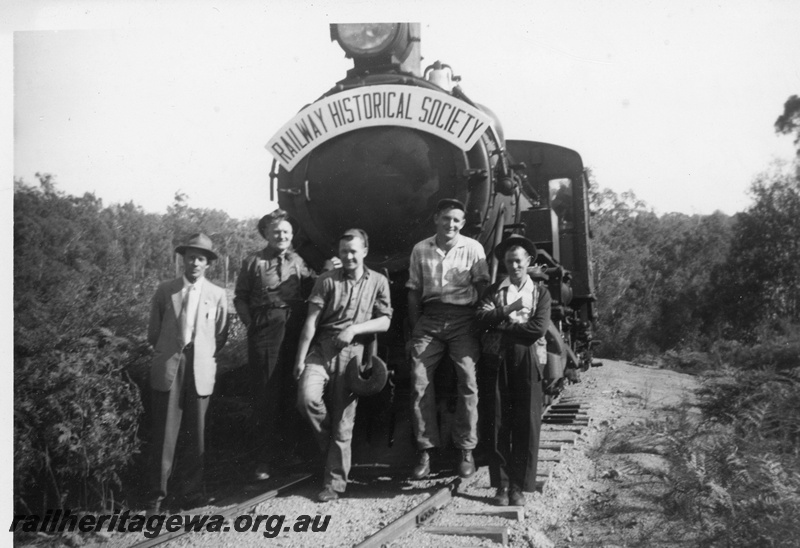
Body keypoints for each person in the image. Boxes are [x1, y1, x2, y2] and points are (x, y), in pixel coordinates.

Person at [294, 229, 392, 502]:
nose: (348, 256)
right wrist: (300, 359)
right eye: (343, 251)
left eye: (353, 251)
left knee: (343, 423)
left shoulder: (379, 282)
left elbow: (385, 321)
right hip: (321, 350)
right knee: (307, 400)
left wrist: (355, 329)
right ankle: (332, 453)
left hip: (353, 353)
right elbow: (311, 322)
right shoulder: (325, 281)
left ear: (364, 252)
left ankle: (333, 484)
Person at [407, 198, 490, 479]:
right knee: (419, 380)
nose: (450, 224)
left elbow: (482, 285)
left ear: (462, 223)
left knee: (468, 380)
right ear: (436, 219)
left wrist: (476, 322)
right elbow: (413, 292)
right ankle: (425, 450)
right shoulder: (420, 249)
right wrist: (415, 326)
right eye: (446, 218)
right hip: (429, 319)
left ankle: (466, 448)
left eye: (456, 220)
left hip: (463, 319)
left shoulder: (473, 248)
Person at [234, 209, 318, 481]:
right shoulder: (253, 262)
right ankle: (263, 459)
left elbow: (311, 289)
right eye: (276, 232)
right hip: (265, 329)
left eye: (286, 232)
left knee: (291, 389)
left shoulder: (299, 261)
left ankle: (290, 453)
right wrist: (251, 325)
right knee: (266, 393)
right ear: (266, 234)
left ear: (291, 235)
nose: (281, 236)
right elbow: (240, 298)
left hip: (293, 327)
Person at [146, 233, 228, 513]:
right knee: (165, 436)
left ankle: (192, 495)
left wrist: (200, 353)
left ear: (208, 264)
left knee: (197, 436)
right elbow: (153, 333)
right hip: (170, 366)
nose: (195, 262)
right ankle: (157, 497)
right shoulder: (164, 290)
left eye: (201, 258)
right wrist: (172, 351)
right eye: (191, 256)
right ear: (183, 259)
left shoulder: (218, 294)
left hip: (201, 367)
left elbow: (221, 334)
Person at [475, 235, 551, 507]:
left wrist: (502, 325)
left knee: (525, 422)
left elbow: (538, 329)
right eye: (509, 261)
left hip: (528, 358)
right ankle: (502, 485)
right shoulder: (493, 291)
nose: (514, 266)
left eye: (519, 260)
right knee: (497, 420)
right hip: (497, 358)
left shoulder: (540, 293)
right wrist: (503, 318)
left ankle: (518, 486)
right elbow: (481, 320)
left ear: (528, 262)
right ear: (504, 263)